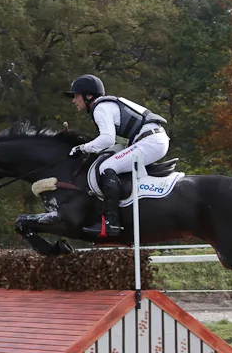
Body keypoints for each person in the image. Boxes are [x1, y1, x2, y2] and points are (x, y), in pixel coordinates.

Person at [64, 74, 169, 237]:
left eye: (76, 96)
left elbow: (107, 139)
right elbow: (110, 142)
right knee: (106, 158)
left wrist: (82, 148)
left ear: (88, 96)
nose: (73, 100)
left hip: (150, 141)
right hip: (150, 139)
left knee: (107, 166)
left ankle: (111, 222)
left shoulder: (100, 108)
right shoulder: (104, 106)